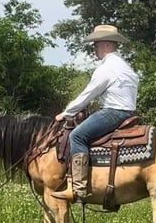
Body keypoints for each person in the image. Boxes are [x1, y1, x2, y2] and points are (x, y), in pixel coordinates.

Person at [51, 24, 139, 203]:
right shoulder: (125, 67)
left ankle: (79, 188)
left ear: (107, 44)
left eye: (96, 44)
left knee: (77, 136)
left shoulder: (106, 68)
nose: (94, 49)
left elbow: (88, 94)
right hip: (128, 113)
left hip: (113, 113)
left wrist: (66, 113)